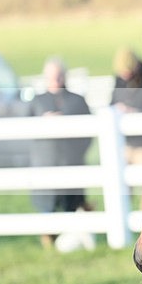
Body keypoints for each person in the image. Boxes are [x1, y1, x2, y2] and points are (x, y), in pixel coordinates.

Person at [29, 58, 93, 248]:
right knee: (47, 202)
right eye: (51, 76)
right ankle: (48, 240)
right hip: (45, 161)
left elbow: (88, 132)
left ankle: (72, 239)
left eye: (58, 75)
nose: (55, 79)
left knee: (71, 201)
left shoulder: (77, 101)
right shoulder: (37, 102)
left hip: (70, 159)